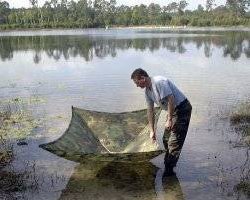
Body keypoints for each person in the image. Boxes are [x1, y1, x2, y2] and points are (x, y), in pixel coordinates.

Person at [131, 68, 192, 175]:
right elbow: (150, 110)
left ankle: (169, 171)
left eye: (137, 82)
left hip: (182, 109)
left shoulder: (159, 82)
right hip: (172, 111)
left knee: (174, 142)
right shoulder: (147, 91)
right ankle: (169, 163)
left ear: (143, 78)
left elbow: (171, 99)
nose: (137, 85)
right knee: (165, 139)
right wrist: (152, 131)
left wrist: (169, 120)